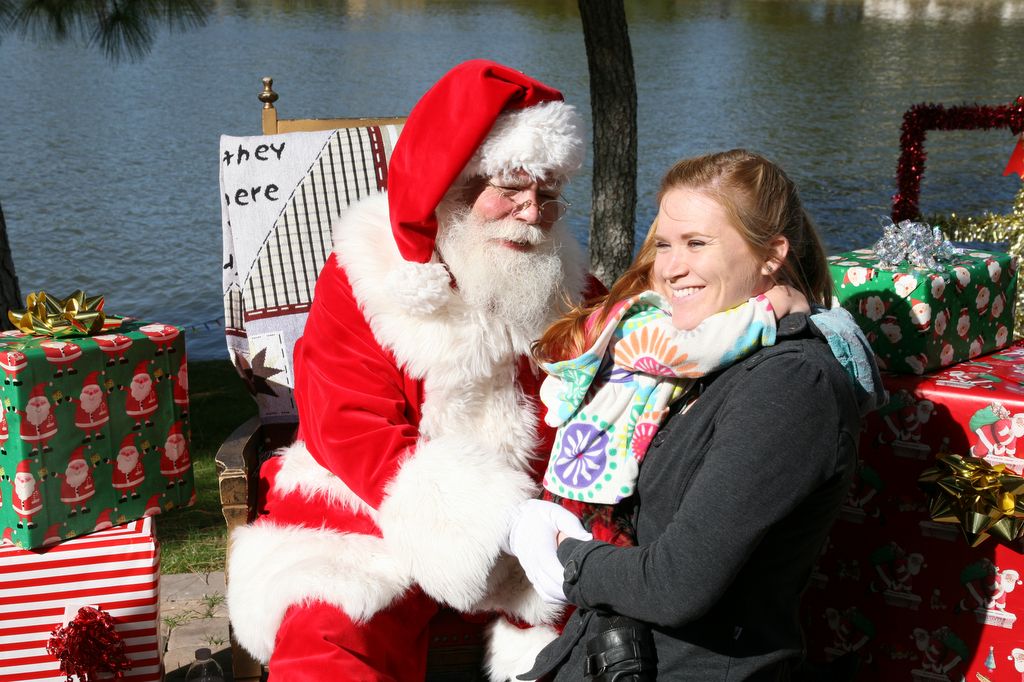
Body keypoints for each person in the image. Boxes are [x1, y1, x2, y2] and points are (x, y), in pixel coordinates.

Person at [226, 60, 602, 680]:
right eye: (511, 187)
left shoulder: (571, 285)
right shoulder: (366, 272)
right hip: (374, 516)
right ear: (455, 182)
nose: (532, 213)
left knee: (597, 638)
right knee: (328, 631)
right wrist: (487, 518)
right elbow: (349, 423)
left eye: (549, 193)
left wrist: (537, 523)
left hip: (543, 525)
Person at [507, 149, 884, 680]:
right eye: (663, 244)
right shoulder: (680, 356)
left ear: (771, 254)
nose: (671, 267)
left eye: (697, 244)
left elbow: (673, 584)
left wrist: (567, 557)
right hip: (610, 653)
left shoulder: (791, 385)